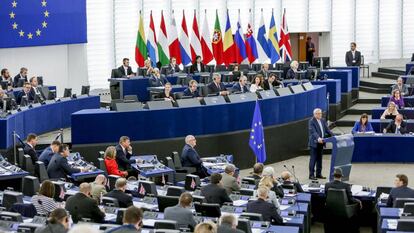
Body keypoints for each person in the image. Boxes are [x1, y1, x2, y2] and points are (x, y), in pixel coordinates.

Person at [308, 108, 333, 180]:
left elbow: (327, 130)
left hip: (322, 142)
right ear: (315, 114)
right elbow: (313, 132)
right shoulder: (311, 121)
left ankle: (318, 174)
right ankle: (311, 175)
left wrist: (334, 136)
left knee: (319, 159)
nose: (320, 115)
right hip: (314, 143)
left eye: (321, 113)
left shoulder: (323, 120)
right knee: (313, 159)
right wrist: (318, 138)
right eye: (319, 113)